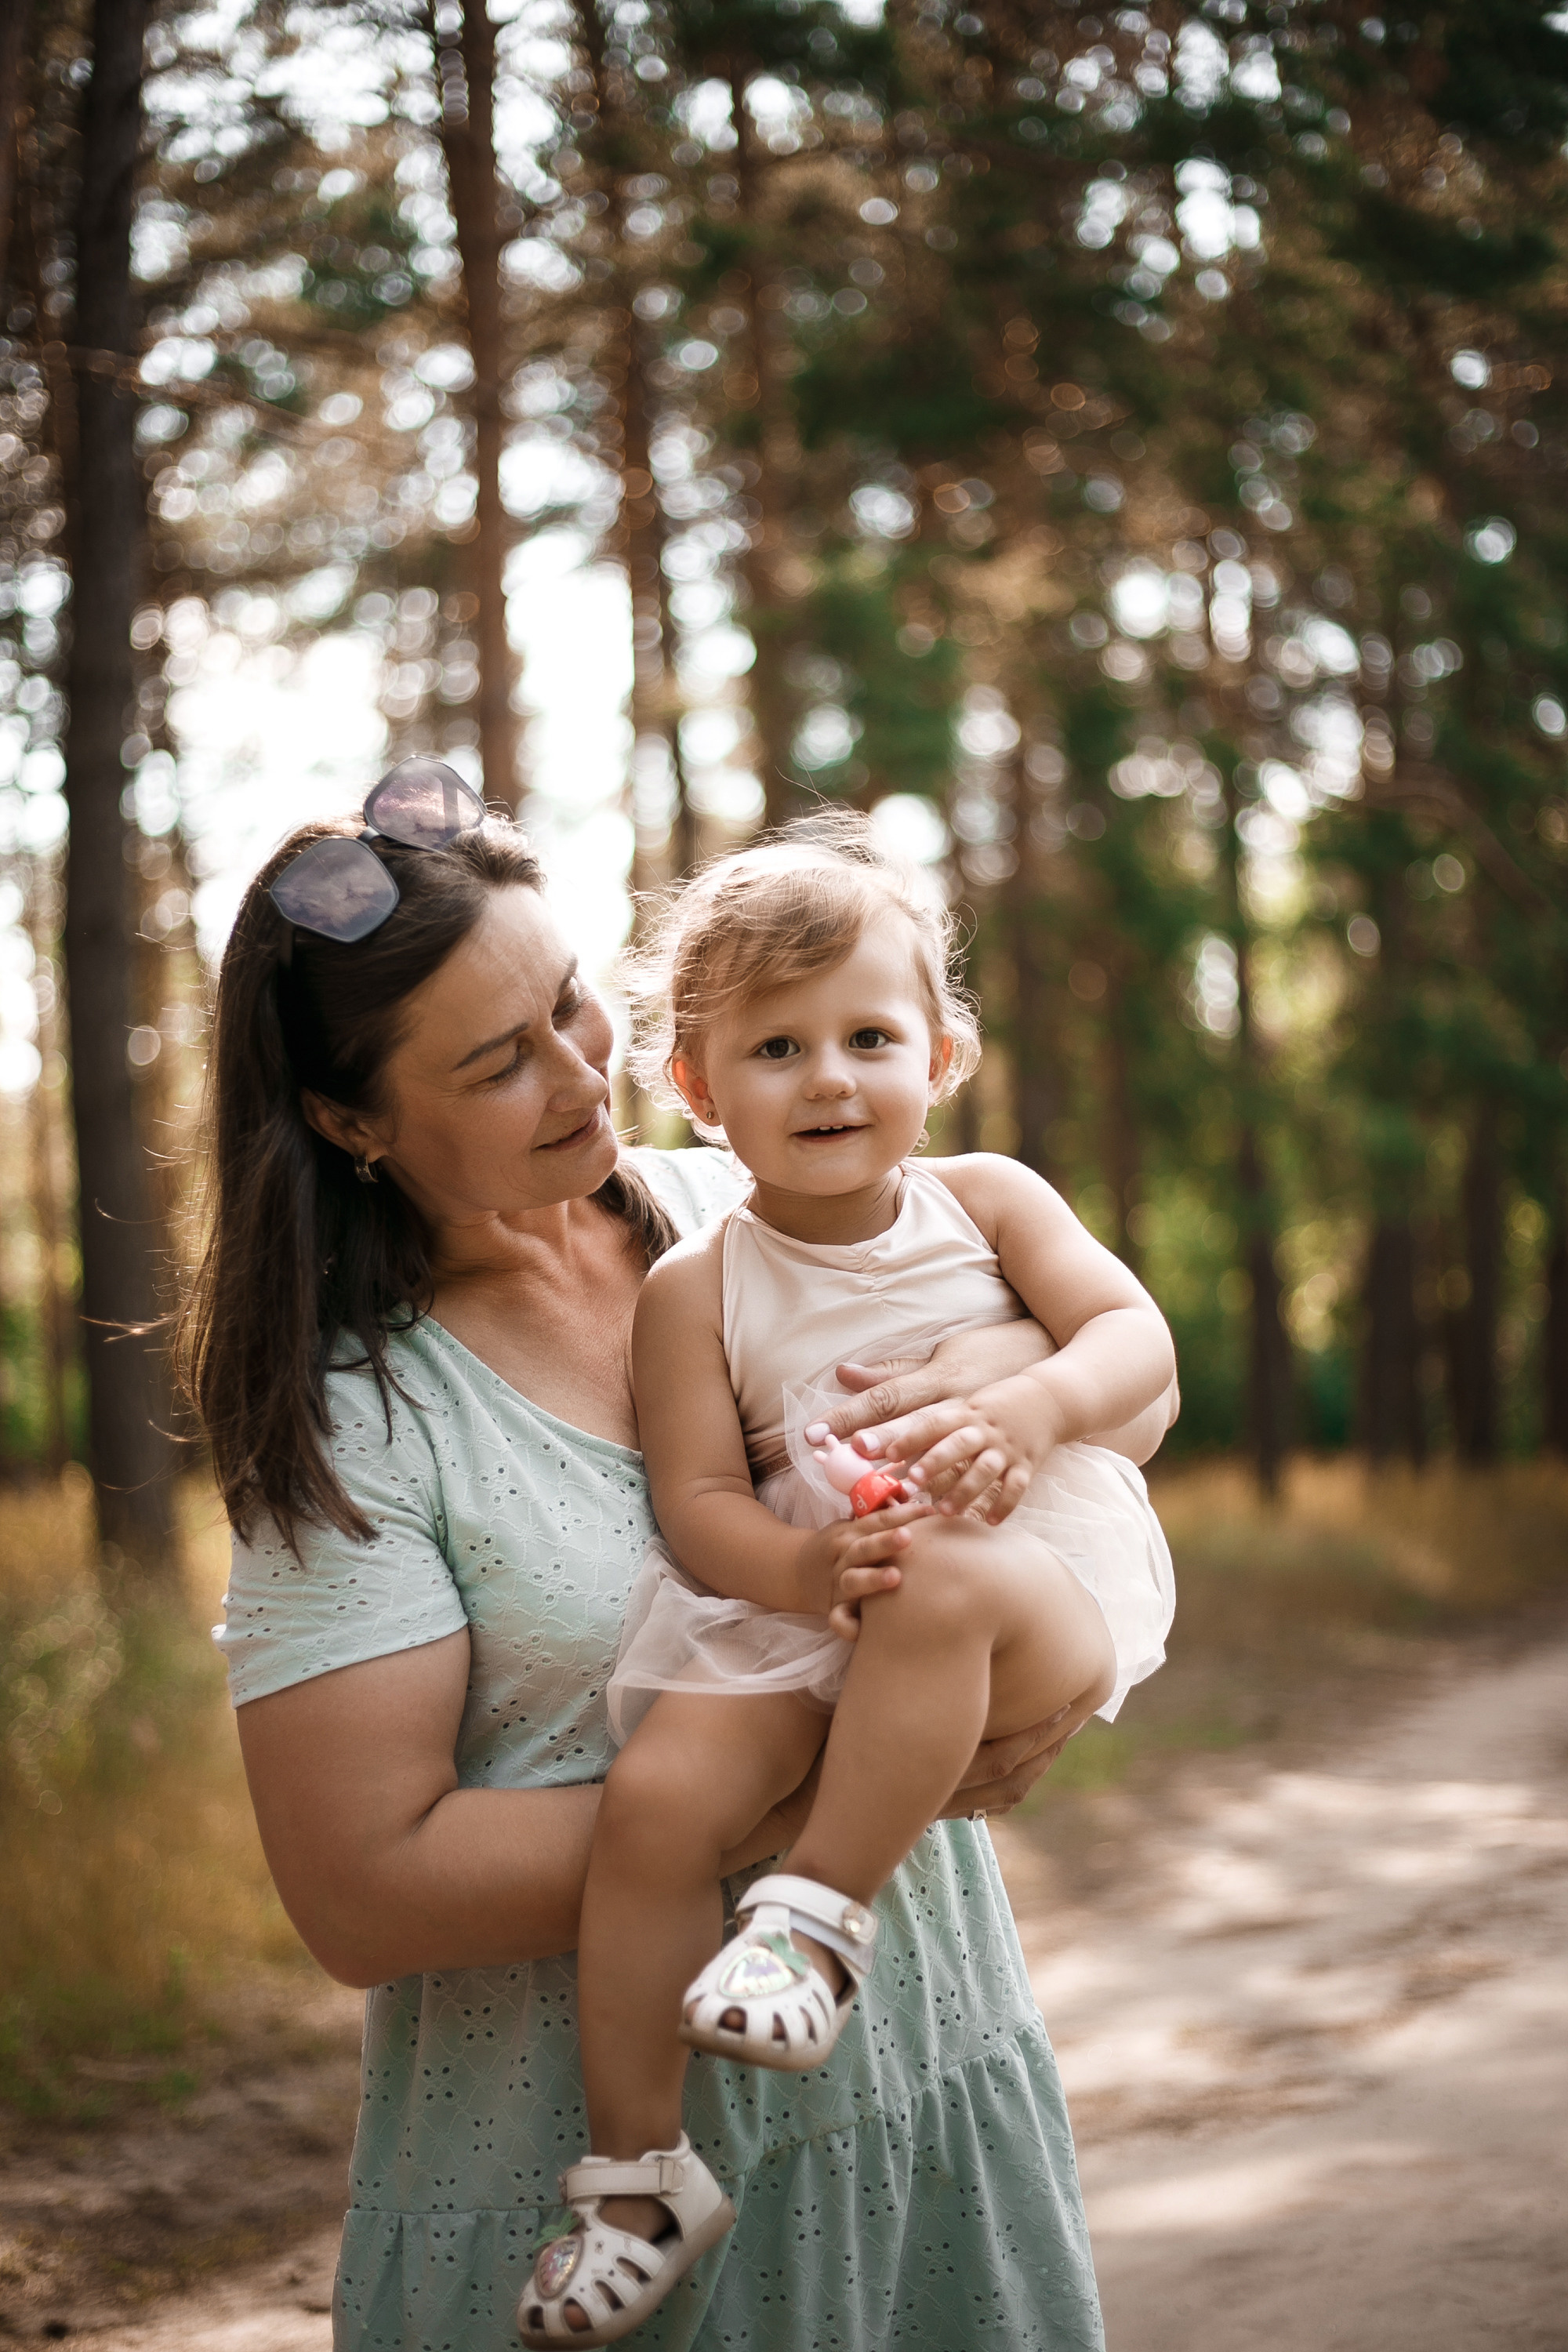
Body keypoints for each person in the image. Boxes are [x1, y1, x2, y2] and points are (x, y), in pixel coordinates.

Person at [179, 761, 1124, 2352]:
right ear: (351, 1120)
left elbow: (1070, 1434)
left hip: (918, 2076)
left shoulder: (757, 1199)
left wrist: (1012, 1585)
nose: (576, 1073)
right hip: (575, 2159)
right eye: (497, 1063)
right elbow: (363, 1893)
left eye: (570, 1004)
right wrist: (830, 1794)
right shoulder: (359, 1423)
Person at [519, 822, 1177, 2343]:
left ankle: (815, 1915)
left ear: (940, 1053)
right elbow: (693, 1503)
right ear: (695, 1087)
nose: (827, 1076)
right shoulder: (700, 1288)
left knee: (936, 1572)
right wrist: (803, 1563)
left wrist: (1028, 1405)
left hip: (1021, 1571)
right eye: (775, 1047)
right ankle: (637, 2177)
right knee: (656, 1804)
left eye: (868, 1036)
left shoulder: (987, 1201)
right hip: (812, 1593)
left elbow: (1135, 1345)